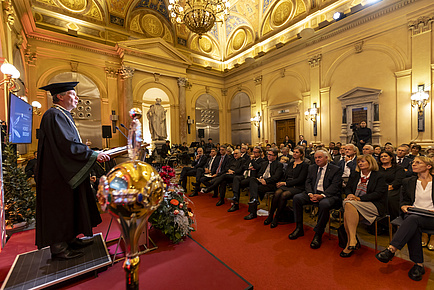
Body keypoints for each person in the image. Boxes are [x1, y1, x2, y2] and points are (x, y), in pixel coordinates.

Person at [36, 82, 110, 260]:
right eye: (72, 94)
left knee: (70, 206)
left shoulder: (63, 115)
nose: (77, 97)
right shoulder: (53, 115)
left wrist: (91, 153)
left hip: (63, 172)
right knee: (60, 208)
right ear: (60, 96)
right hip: (57, 175)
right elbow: (66, 145)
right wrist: (92, 154)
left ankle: (69, 238)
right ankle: (59, 246)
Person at [375, 156, 434, 281]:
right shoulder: (408, 181)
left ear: (428, 166)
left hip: (431, 217)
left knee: (412, 222)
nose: (413, 164)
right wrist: (403, 206)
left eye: (418, 162)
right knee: (413, 221)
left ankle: (392, 250)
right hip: (413, 214)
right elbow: (404, 201)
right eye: (413, 162)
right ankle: (418, 265)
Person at [289, 150, 342, 249]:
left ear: (326, 158)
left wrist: (322, 195)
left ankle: (318, 233)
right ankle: (299, 228)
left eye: (319, 157)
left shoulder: (335, 169)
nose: (317, 160)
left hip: (329, 195)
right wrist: (310, 194)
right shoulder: (312, 167)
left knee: (324, 204)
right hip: (313, 193)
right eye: (316, 158)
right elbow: (308, 182)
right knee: (297, 198)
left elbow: (335, 186)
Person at [340, 155, 387, 257]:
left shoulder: (379, 176)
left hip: (372, 204)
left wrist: (359, 199)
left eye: (363, 161)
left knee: (347, 208)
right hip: (354, 203)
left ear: (370, 163)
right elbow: (347, 188)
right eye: (359, 162)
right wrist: (350, 195)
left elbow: (378, 193)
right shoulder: (355, 174)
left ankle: (351, 242)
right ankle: (351, 241)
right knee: (348, 203)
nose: (360, 163)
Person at [265, 146, 309, 228]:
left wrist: (284, 183)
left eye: (297, 152)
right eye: (294, 152)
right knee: (277, 192)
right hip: (286, 184)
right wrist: (280, 182)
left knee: (284, 195)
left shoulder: (305, 165)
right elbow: (285, 176)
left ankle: (277, 218)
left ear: (301, 154)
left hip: (297, 187)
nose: (295, 154)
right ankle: (271, 215)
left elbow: (300, 179)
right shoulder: (290, 164)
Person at [244, 148, 283, 220]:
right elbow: (259, 173)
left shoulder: (279, 164)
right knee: (252, 179)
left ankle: (252, 212)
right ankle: (255, 200)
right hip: (262, 181)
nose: (268, 156)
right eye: (268, 154)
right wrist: (261, 178)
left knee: (253, 189)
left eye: (271, 155)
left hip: (271, 184)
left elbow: (276, 177)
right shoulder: (264, 163)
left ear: (275, 156)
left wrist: (266, 181)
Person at [228, 146, 265, 212]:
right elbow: (244, 166)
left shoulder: (262, 161)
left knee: (237, 184)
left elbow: (257, 167)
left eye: (256, 152)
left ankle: (236, 203)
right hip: (245, 175)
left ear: (259, 153)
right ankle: (235, 198)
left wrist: (252, 160)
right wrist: (248, 167)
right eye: (253, 152)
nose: (254, 153)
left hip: (251, 178)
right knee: (236, 178)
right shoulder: (249, 158)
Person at [378, 151, 406, 223]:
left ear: (391, 158)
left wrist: (391, 186)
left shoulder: (398, 168)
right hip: (378, 189)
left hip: (393, 189)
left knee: (389, 198)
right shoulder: (376, 168)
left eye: (385, 156)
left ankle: (392, 222)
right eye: (381, 156)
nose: (383, 158)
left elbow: (399, 180)